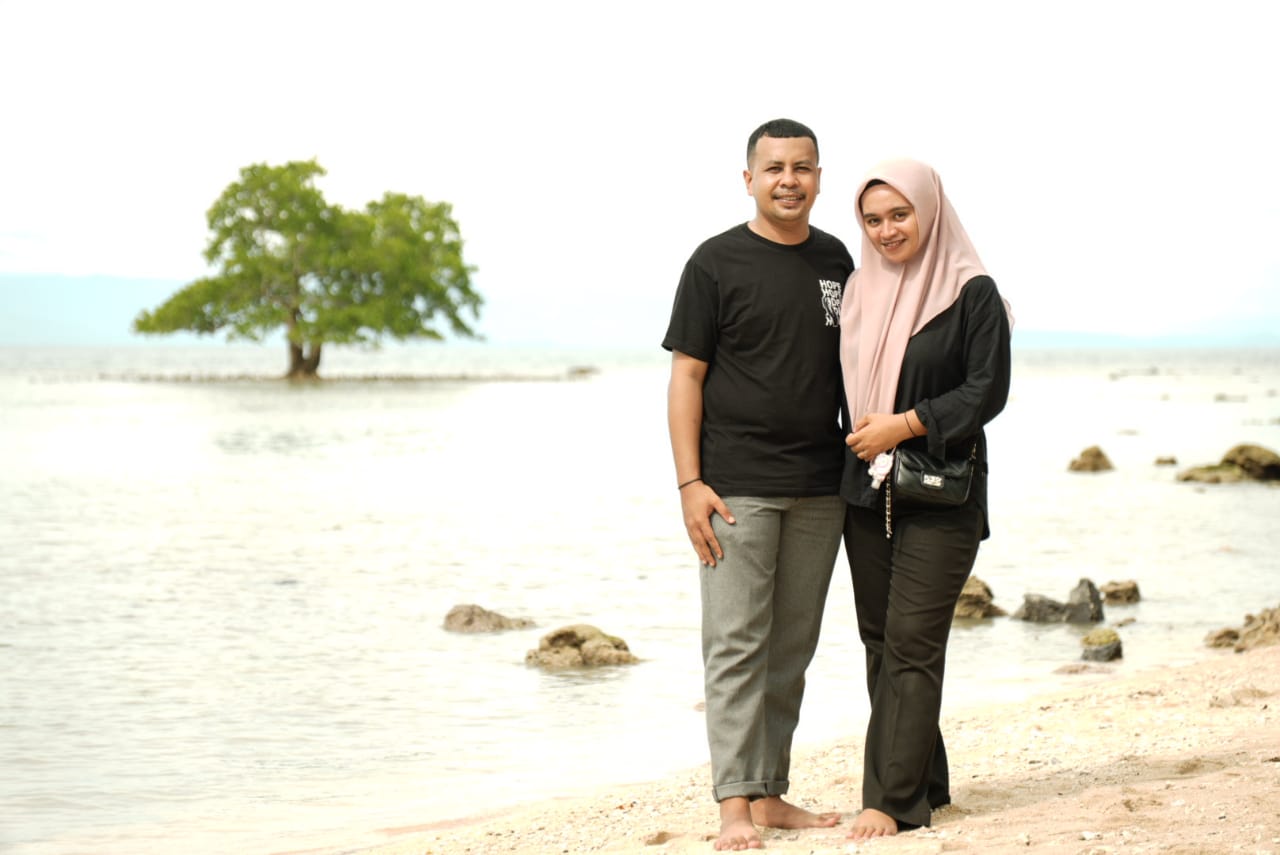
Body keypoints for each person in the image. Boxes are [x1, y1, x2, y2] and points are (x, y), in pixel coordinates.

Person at [663, 118, 854, 851]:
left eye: (801, 167)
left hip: (821, 486)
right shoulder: (714, 263)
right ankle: (735, 805)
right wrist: (690, 482)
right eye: (774, 168)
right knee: (737, 644)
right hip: (736, 487)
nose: (788, 180)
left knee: (790, 647)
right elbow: (686, 376)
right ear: (749, 179)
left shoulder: (837, 261)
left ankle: (769, 792)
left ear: (818, 178)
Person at [838, 158, 1012, 839]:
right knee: (881, 643)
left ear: (930, 212)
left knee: (912, 641)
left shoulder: (972, 293)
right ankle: (925, 782)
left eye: (899, 214)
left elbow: (985, 391)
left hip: (941, 495)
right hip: (865, 492)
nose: (886, 231)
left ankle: (890, 801)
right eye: (872, 220)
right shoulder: (859, 292)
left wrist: (904, 424)